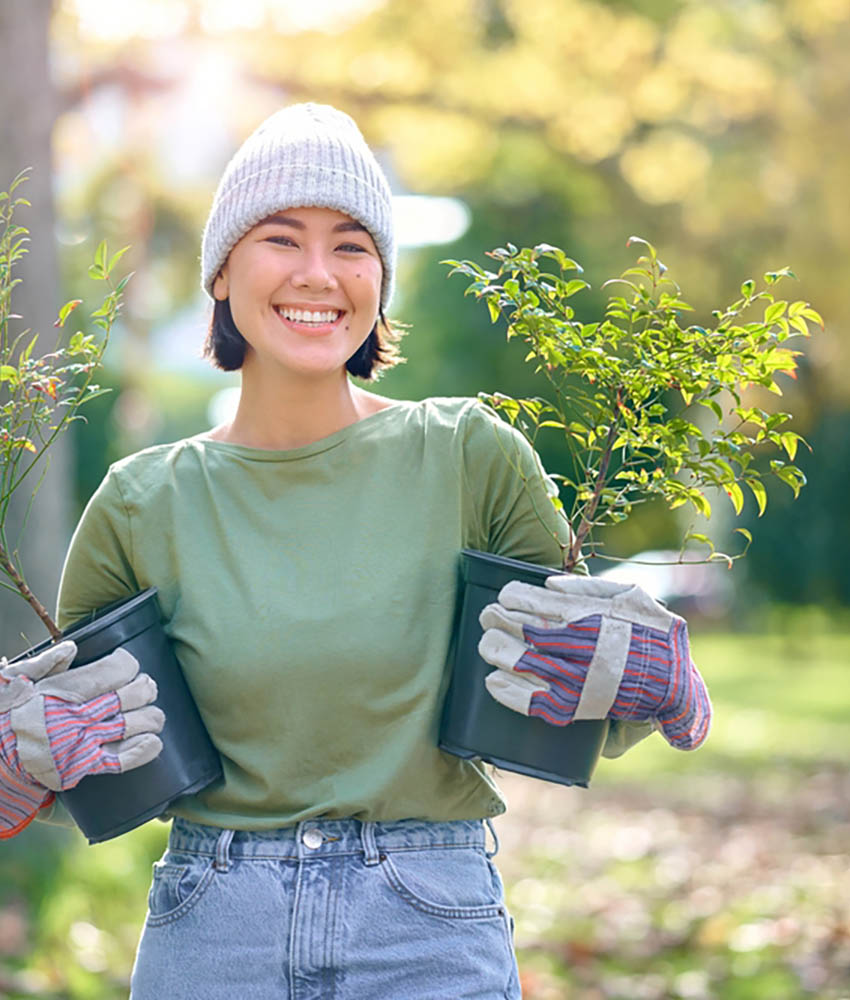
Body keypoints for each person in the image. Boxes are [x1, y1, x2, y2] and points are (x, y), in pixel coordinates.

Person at [0, 103, 710, 998]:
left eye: (350, 245)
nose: (317, 274)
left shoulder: (468, 456)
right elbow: (100, 757)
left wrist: (655, 678)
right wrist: (23, 760)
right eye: (281, 239)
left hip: (425, 926)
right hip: (215, 930)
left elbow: (567, 687)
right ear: (222, 271)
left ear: (380, 278)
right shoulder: (142, 502)